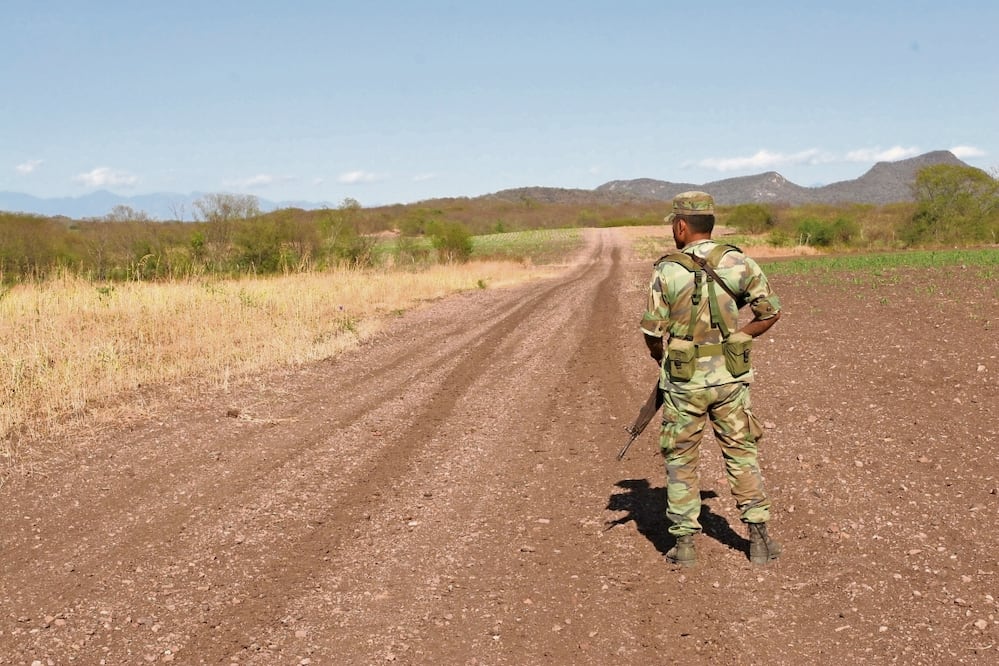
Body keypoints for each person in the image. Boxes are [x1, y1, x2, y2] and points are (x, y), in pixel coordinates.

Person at [639, 191, 782, 567]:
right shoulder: (739, 260)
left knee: (681, 459)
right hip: (730, 378)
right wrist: (740, 336)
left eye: (674, 224)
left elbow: (652, 333)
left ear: (681, 226)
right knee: (741, 454)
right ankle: (760, 539)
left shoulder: (666, 270)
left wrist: (662, 359)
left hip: (684, 383)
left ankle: (684, 545)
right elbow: (770, 311)